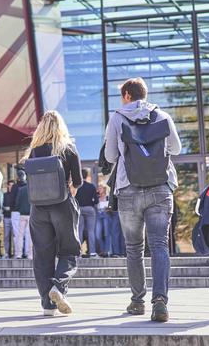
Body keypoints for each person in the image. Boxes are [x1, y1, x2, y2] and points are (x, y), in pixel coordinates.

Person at [105, 77, 181, 323]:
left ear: (127, 94)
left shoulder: (117, 118)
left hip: (128, 188)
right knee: (159, 245)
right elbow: (177, 149)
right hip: (160, 187)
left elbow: (110, 155)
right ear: (144, 94)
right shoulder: (163, 116)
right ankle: (160, 302)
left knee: (134, 248)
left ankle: (138, 302)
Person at [25, 110, 83, 316]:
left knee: (42, 255)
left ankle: (47, 306)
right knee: (70, 251)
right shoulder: (68, 148)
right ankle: (58, 287)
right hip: (62, 205)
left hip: (38, 209)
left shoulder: (33, 150)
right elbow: (78, 181)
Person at [75, 168, 98, 257]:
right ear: (87, 176)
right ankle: (92, 252)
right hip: (90, 209)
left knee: (79, 231)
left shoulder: (77, 187)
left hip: (79, 209)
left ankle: (79, 252)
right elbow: (96, 201)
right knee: (91, 231)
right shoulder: (91, 186)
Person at [13, 169, 32, 259]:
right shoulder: (33, 189)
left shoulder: (21, 189)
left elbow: (17, 202)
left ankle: (18, 254)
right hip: (32, 214)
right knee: (30, 235)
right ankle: (30, 254)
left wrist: (19, 209)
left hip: (22, 214)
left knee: (20, 235)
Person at [95, 184, 111, 257]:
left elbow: (111, 207)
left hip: (106, 215)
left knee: (107, 234)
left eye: (100, 188)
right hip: (98, 215)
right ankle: (102, 250)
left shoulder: (108, 197)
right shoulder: (96, 198)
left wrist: (107, 209)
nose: (99, 189)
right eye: (98, 188)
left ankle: (107, 251)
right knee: (98, 235)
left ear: (104, 189)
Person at [2, 180, 17, 258]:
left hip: (15, 217)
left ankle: (16, 253)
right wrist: (5, 208)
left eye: (12, 185)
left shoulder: (16, 195)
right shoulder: (5, 195)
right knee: (6, 236)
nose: (11, 186)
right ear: (7, 186)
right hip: (6, 217)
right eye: (10, 185)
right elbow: (2, 205)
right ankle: (6, 253)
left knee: (15, 236)